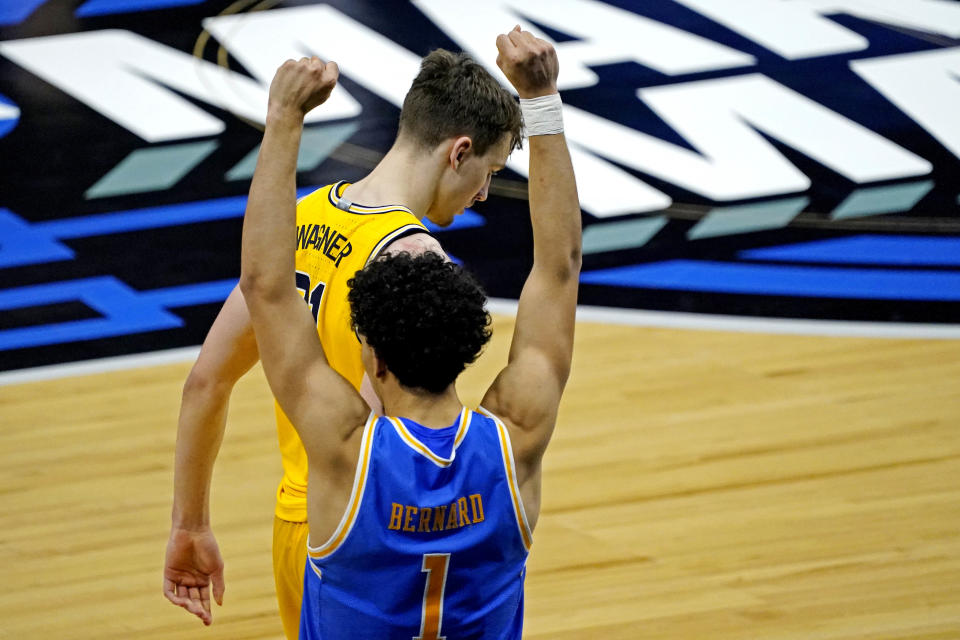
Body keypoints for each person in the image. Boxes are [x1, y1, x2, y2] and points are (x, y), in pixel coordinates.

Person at [163, 41, 523, 634]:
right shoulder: (415, 259)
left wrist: (191, 524)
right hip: (364, 528)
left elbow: (206, 381)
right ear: (459, 153)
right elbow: (382, 436)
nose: (484, 193)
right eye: (490, 173)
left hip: (293, 520)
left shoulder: (305, 217)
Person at [237, 25, 580, 637]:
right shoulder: (516, 440)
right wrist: (543, 101)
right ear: (467, 345)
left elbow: (267, 285)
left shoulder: (343, 455)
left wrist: (285, 118)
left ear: (371, 355)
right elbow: (559, 268)